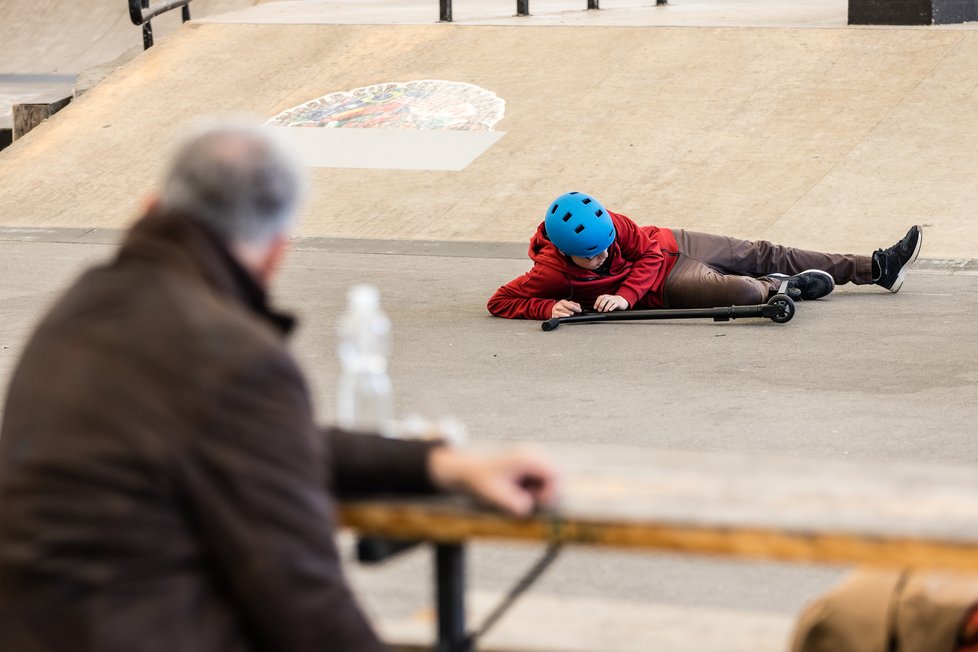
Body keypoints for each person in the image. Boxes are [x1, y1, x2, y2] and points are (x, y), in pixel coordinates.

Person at [0, 120, 558, 652]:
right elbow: (308, 609)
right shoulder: (231, 355)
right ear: (275, 252)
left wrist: (438, 463)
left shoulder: (82, 306)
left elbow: (260, 440)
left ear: (152, 207)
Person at [487, 191, 922, 320]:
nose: (602, 257)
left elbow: (648, 254)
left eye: (605, 249)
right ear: (564, 253)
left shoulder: (613, 225)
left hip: (668, 248)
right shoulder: (547, 272)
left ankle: (876, 268)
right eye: (591, 258)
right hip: (665, 287)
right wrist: (546, 305)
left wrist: (624, 295)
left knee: (760, 251)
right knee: (747, 291)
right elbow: (499, 301)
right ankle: (786, 287)